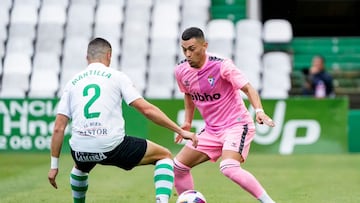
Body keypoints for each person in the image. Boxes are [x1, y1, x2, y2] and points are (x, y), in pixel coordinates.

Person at [47, 37, 198, 203]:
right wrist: (180, 130)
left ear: (87, 57)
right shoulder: (116, 76)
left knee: (80, 168)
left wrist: (54, 166)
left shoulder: (72, 82)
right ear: (109, 55)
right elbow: (146, 110)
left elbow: (58, 128)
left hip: (80, 149)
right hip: (111, 146)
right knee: (164, 155)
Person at [173, 27, 276, 203]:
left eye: (192, 49)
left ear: (204, 46)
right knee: (179, 167)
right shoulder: (181, 70)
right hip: (212, 131)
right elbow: (188, 95)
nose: (188, 54)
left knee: (228, 167)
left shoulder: (222, 65)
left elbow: (248, 88)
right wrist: (187, 122)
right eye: (184, 49)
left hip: (236, 125)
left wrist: (259, 111)